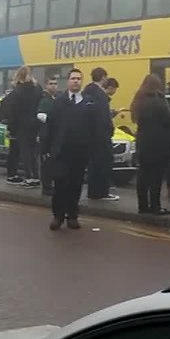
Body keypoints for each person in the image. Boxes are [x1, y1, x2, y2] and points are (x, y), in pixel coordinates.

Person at [42, 69, 101, 230]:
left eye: (78, 79)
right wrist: (46, 148)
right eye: (73, 78)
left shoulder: (89, 102)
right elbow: (50, 125)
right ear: (68, 81)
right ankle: (58, 216)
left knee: (75, 184)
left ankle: (72, 216)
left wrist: (92, 148)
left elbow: (95, 127)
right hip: (61, 151)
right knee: (60, 185)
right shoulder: (59, 101)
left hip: (80, 151)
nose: (76, 81)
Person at [131, 74, 170, 215]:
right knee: (156, 176)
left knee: (143, 175)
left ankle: (142, 206)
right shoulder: (159, 101)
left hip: (143, 141)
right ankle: (155, 206)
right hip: (159, 143)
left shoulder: (138, 99)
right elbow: (169, 120)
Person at [4, 67, 44, 187]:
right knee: (34, 152)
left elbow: (13, 112)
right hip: (35, 124)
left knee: (25, 152)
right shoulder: (38, 89)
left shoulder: (17, 91)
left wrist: (11, 128)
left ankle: (29, 177)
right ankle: (36, 177)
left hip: (22, 126)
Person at [85, 69, 118, 201]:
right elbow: (104, 117)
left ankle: (93, 192)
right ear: (103, 77)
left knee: (93, 164)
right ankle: (102, 192)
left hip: (90, 134)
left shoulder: (86, 91)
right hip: (101, 135)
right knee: (104, 163)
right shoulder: (100, 94)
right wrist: (110, 130)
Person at [37, 76, 60, 196]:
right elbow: (40, 115)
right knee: (46, 163)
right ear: (46, 85)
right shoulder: (45, 100)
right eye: (51, 83)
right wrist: (53, 120)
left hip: (54, 136)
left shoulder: (55, 99)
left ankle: (50, 185)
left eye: (55, 84)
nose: (53, 86)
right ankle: (46, 187)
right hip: (46, 136)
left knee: (52, 163)